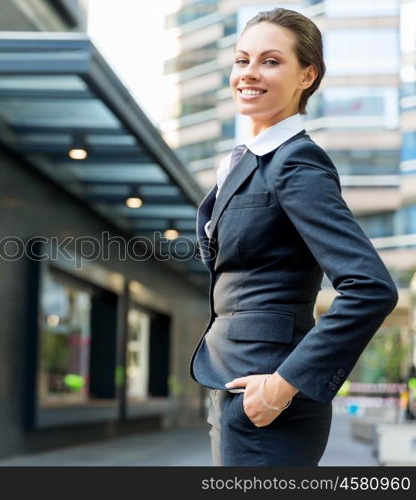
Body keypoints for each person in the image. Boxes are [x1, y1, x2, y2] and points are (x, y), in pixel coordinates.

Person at [189, 7, 399, 466]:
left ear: (307, 75)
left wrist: (284, 384)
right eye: (242, 60)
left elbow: (371, 288)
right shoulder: (244, 161)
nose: (249, 72)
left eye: (270, 61)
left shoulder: (296, 163)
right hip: (232, 385)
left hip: (268, 398)